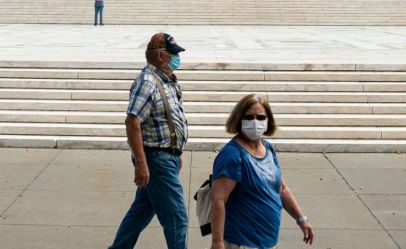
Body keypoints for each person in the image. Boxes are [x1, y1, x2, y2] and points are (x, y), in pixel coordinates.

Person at [108, 32, 189, 249]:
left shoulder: (166, 80)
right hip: (156, 158)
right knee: (176, 217)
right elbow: (132, 122)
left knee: (141, 211)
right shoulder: (148, 81)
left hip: (165, 157)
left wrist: (176, 151)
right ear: (161, 56)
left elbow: (167, 120)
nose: (176, 58)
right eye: (173, 54)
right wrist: (142, 163)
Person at [208, 94, 314, 249]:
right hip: (242, 241)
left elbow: (282, 189)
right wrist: (217, 242)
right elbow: (218, 200)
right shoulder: (232, 155)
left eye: (261, 117)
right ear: (239, 119)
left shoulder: (268, 148)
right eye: (249, 117)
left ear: (268, 120)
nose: (255, 122)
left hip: (268, 240)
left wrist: (301, 219)